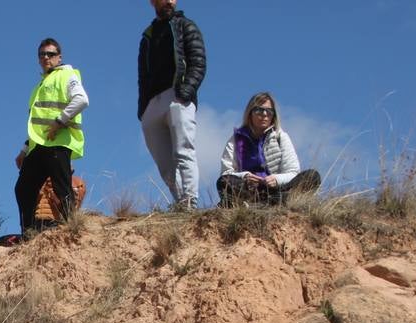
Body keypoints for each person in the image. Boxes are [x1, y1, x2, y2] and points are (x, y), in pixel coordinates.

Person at [137, 0, 207, 210]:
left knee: (184, 150)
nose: (169, 1)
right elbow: (142, 75)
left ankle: (189, 202)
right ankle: (180, 204)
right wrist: (143, 108)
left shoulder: (186, 25)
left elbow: (199, 61)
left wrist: (186, 91)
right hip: (152, 103)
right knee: (164, 164)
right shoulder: (147, 36)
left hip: (177, 96)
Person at [14, 38, 88, 235]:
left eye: (50, 54)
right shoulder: (40, 86)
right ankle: (29, 232)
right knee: (23, 188)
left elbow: (81, 99)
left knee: (62, 189)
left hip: (58, 143)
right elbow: (39, 125)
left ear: (59, 57)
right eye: (42, 54)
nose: (46, 57)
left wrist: (59, 122)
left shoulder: (66, 75)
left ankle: (72, 230)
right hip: (39, 145)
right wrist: (24, 149)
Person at [217, 92, 322, 207]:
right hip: (250, 189)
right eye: (259, 110)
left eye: (269, 111)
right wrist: (245, 176)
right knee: (223, 182)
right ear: (250, 113)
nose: (265, 114)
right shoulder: (236, 139)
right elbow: (226, 172)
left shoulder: (280, 137)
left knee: (312, 176)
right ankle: (259, 203)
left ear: (274, 115)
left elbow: (293, 171)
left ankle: (270, 202)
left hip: (277, 188)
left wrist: (276, 179)